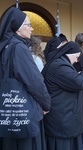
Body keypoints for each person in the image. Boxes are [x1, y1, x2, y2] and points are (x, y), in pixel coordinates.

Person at [0, 7, 51, 150]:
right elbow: (34, 81)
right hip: (24, 113)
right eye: (28, 25)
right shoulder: (19, 48)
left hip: (8, 111)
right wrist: (46, 104)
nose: (32, 29)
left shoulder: (6, 46)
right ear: (17, 29)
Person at [42, 37, 83, 150]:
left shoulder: (60, 63)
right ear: (70, 54)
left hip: (63, 118)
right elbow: (79, 83)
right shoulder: (60, 66)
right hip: (61, 120)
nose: (77, 60)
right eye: (77, 57)